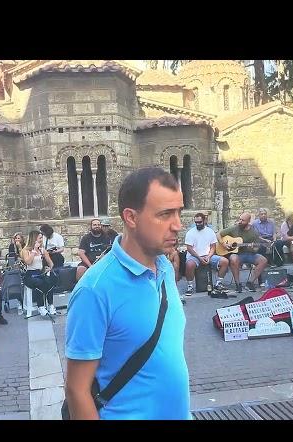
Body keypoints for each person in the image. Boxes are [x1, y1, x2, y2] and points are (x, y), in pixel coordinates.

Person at [65, 167, 190, 420]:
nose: (177, 225)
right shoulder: (95, 290)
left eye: (179, 212)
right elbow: (77, 390)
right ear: (131, 218)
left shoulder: (164, 267)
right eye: (165, 214)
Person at [217, 212, 269, 293]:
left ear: (248, 221)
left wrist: (253, 248)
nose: (240, 222)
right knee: (233, 258)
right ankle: (238, 284)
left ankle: (250, 283)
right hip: (237, 254)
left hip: (249, 254)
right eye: (240, 219)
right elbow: (219, 234)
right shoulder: (235, 228)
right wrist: (223, 244)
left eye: (243, 220)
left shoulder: (254, 232)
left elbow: (256, 249)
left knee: (263, 260)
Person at [183, 212, 227, 296]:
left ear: (204, 221)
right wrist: (199, 258)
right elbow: (189, 249)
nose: (198, 224)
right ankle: (190, 286)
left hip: (208, 255)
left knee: (224, 261)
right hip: (195, 256)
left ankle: (219, 283)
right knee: (189, 265)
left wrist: (209, 256)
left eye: (200, 222)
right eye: (196, 222)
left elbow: (213, 246)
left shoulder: (210, 231)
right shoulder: (190, 233)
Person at [20, 230, 58, 316]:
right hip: (30, 275)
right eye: (40, 238)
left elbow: (51, 263)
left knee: (51, 280)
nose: (41, 240)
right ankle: (41, 306)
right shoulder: (25, 250)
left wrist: (49, 268)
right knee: (40, 282)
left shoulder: (42, 250)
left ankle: (51, 305)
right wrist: (34, 251)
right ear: (34, 239)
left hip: (40, 273)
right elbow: (28, 262)